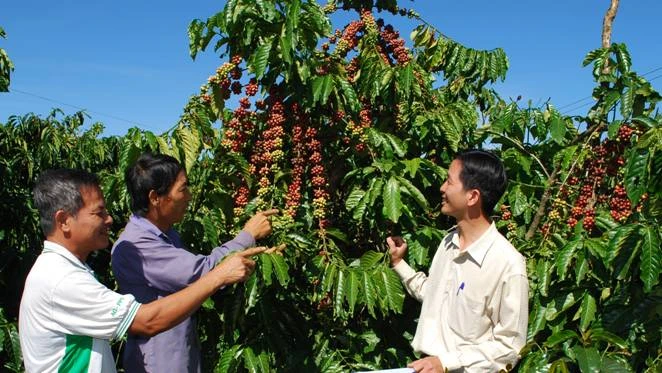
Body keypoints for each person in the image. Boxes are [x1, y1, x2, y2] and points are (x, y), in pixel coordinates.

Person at [19, 168, 263, 373]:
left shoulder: (65, 270)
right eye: (98, 212)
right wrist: (219, 274)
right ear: (63, 221)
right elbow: (147, 321)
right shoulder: (61, 280)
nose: (109, 219)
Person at [111, 152, 278, 373]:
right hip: (161, 363)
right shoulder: (137, 246)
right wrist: (248, 235)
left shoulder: (166, 232)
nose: (189, 196)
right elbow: (203, 273)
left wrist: (261, 255)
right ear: (155, 198)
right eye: (182, 189)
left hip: (182, 352)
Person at [387, 150, 528, 372]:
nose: (442, 188)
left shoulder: (507, 264)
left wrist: (446, 363)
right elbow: (435, 295)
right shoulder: (448, 242)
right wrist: (399, 264)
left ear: (472, 196)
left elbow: (510, 346)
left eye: (449, 181)